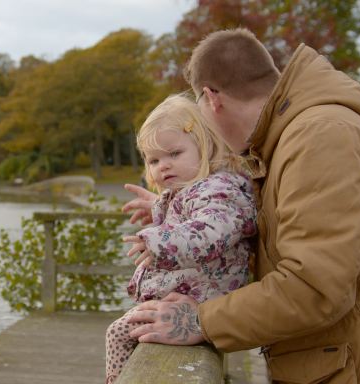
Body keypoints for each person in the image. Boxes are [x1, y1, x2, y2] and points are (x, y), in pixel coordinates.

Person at [122, 28, 360, 383]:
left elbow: (316, 288)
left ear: (212, 99)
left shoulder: (319, 137)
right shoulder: (295, 136)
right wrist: (177, 208)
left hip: (355, 367)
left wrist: (200, 320)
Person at [105, 94, 257, 383]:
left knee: (119, 333)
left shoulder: (220, 189)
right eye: (153, 160)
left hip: (205, 303)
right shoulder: (196, 191)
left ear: (206, 147)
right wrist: (159, 207)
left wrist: (159, 240)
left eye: (174, 154)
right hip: (193, 297)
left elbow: (209, 232)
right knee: (123, 332)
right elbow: (191, 215)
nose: (162, 166)